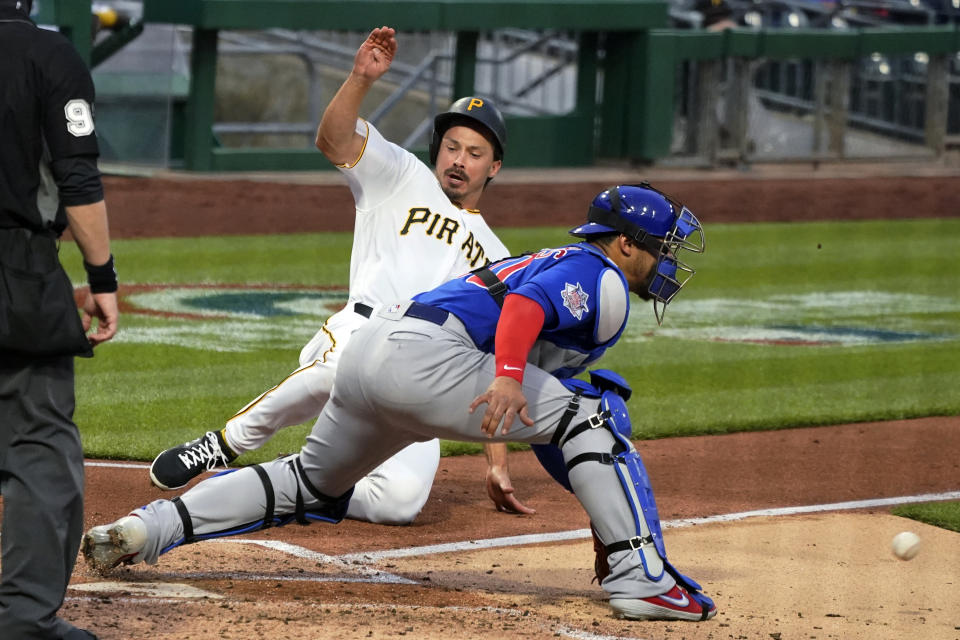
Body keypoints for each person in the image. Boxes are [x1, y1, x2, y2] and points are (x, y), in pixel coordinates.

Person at [83, 183, 718, 622]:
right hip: (429, 359)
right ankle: (643, 579)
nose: (668, 260)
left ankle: (145, 529)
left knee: (309, 482)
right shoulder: (598, 273)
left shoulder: (559, 258)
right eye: (662, 246)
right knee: (596, 414)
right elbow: (525, 309)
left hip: (372, 352)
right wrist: (507, 376)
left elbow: (553, 429)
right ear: (626, 244)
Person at [147, 25, 533, 523]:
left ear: (494, 167)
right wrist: (359, 78)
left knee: (400, 504)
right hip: (363, 331)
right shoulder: (401, 174)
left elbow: (490, 360)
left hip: (421, 373)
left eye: (474, 153)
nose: (458, 161)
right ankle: (221, 444)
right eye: (452, 146)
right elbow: (332, 140)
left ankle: (275, 486)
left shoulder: (498, 258)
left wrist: (497, 465)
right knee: (336, 370)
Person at [0, 1, 119, 638]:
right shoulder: (48, 54)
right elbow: (76, 177)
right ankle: (20, 619)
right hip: (16, 264)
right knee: (38, 445)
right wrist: (101, 277)